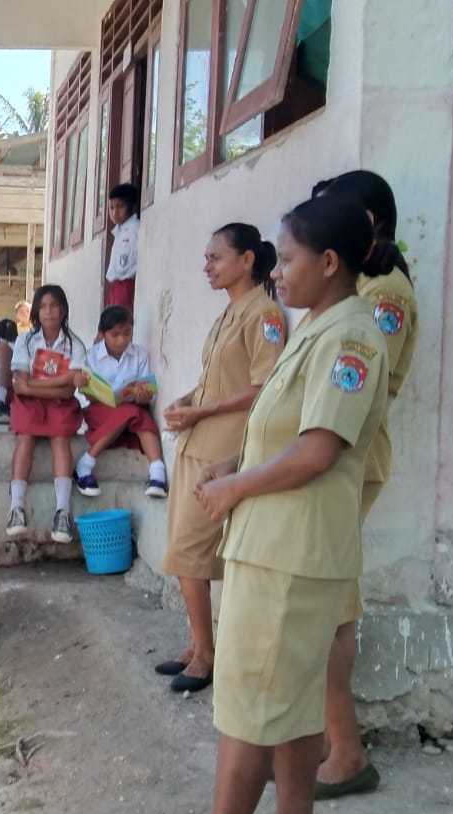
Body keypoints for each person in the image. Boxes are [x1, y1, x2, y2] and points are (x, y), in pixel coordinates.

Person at [143, 195, 391, 814]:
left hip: (292, 547)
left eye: (286, 259)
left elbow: (319, 449)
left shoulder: (350, 339)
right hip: (278, 542)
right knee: (288, 694)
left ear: (330, 262)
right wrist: (233, 463)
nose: (277, 273)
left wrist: (235, 487)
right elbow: (283, 429)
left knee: (251, 697)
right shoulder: (319, 328)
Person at [309, 170, 420, 799]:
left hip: (345, 459)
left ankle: (347, 752)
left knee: (328, 609)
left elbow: (354, 391)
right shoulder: (360, 289)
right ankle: (331, 742)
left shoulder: (385, 296)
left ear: (369, 223)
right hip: (332, 456)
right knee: (329, 606)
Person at [157, 223, 286, 694]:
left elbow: (265, 386)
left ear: (246, 260)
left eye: (216, 258)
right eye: (207, 258)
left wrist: (203, 410)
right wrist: (189, 402)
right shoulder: (229, 312)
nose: (207, 267)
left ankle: (206, 656)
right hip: (198, 442)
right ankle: (197, 642)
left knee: (190, 552)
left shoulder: (265, 314)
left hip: (224, 449)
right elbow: (216, 379)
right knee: (183, 550)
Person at [7, 284, 89, 544]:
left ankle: (62, 511)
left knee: (60, 438)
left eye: (54, 305)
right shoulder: (25, 340)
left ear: (63, 310)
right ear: (36, 311)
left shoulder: (75, 344)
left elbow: (68, 391)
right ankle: (16, 507)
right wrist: (63, 379)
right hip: (29, 403)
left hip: (59, 403)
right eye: (42, 306)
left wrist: (33, 385)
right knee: (26, 437)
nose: (48, 311)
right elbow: (19, 385)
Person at [76, 304, 168, 498]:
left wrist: (143, 394)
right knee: (133, 414)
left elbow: (146, 389)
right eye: (115, 334)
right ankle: (85, 464)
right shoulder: (90, 356)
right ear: (102, 334)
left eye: (127, 333)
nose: (122, 340)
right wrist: (97, 393)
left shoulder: (140, 355)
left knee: (141, 416)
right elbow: (86, 393)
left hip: (132, 407)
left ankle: (158, 477)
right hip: (99, 409)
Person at [105, 183, 142, 311]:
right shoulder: (119, 231)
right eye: (111, 208)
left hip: (127, 286)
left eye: (120, 207)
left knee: (120, 320)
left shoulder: (135, 229)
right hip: (116, 287)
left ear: (132, 206)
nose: (115, 213)